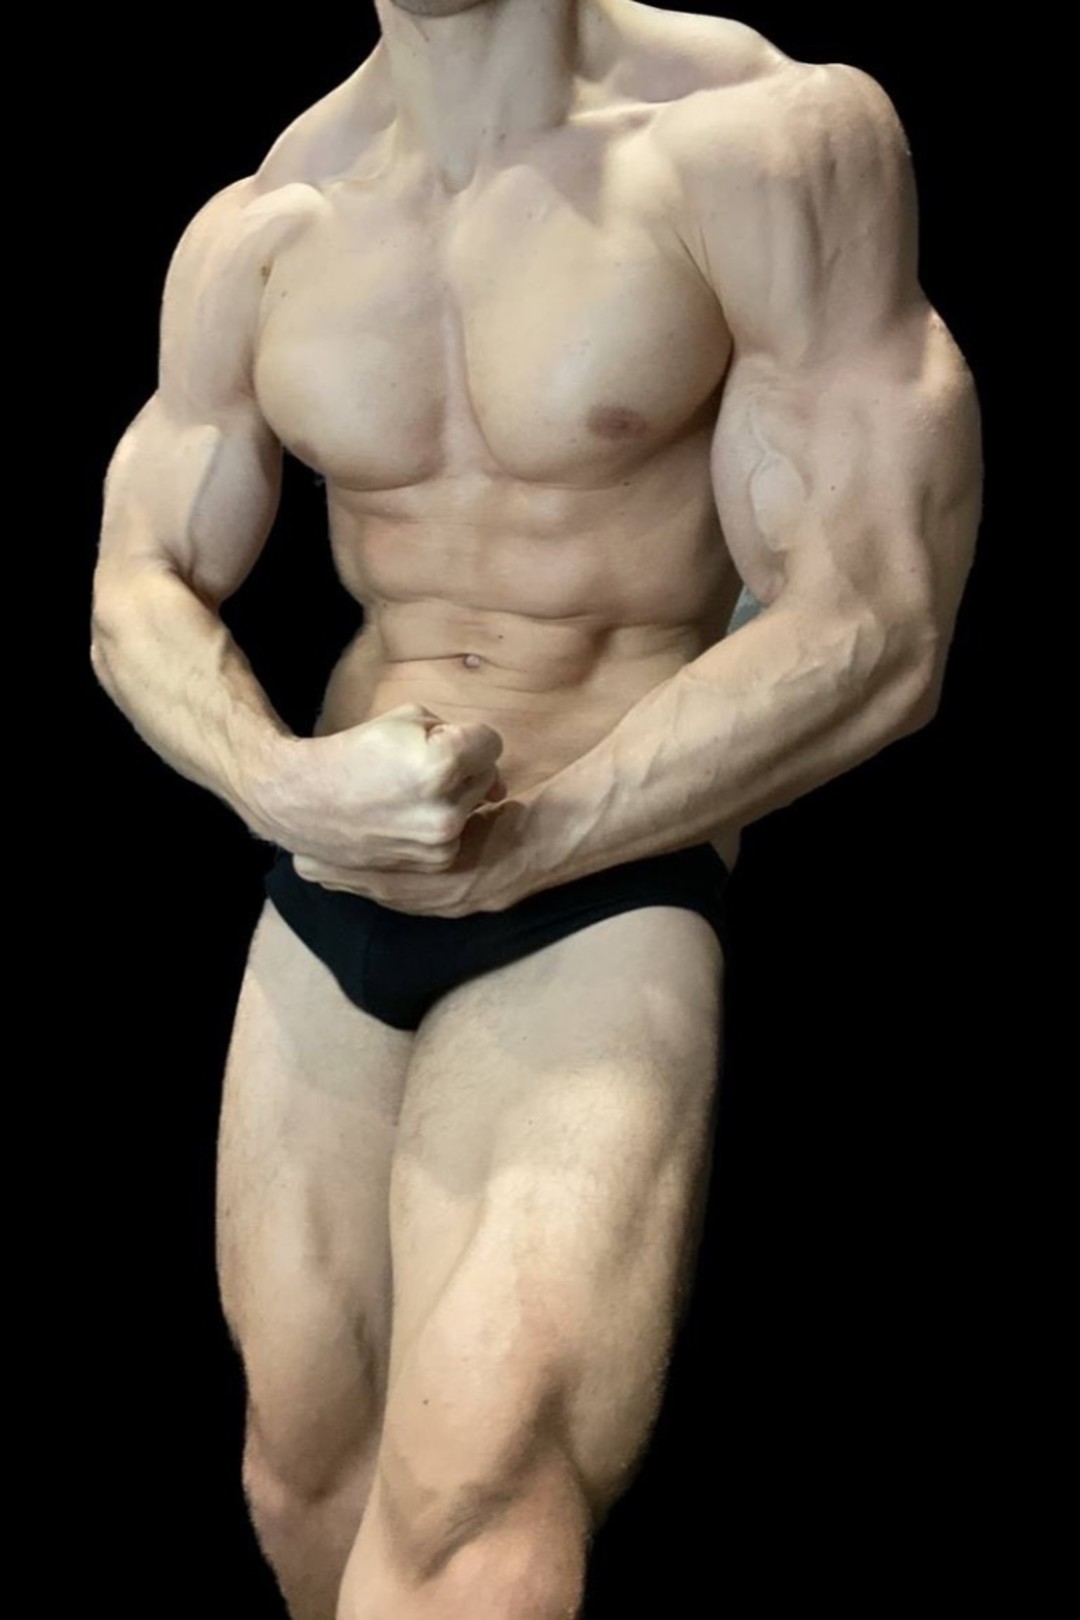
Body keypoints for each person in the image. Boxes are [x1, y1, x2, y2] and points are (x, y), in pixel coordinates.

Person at [88, 2, 983, 1616]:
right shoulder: (268, 218)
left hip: (602, 874)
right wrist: (279, 779)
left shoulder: (763, 142)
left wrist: (541, 838)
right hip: (334, 869)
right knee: (303, 1480)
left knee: (476, 1506)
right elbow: (132, 588)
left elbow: (879, 620)